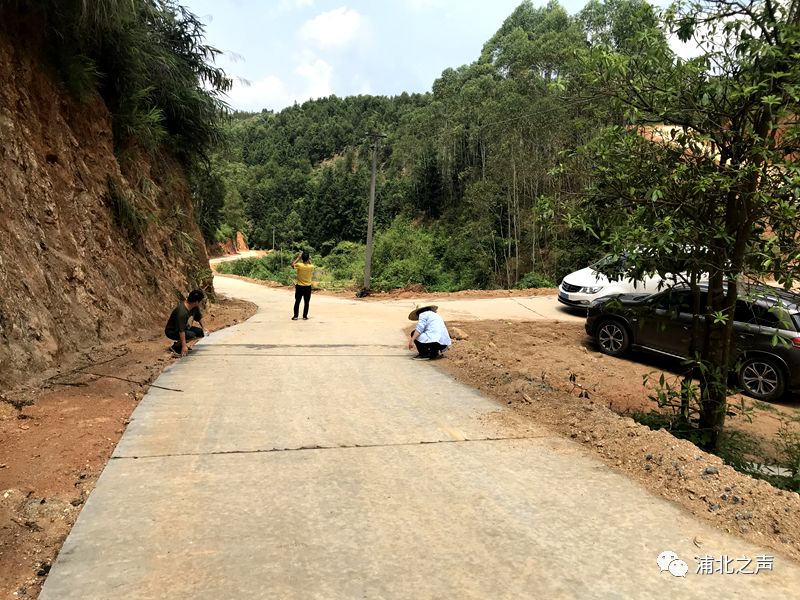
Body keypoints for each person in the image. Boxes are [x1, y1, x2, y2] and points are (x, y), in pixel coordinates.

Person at [164, 289, 209, 356]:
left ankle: (180, 344)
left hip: (185, 327)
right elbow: (181, 330)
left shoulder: (194, 307)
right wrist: (184, 346)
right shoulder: (182, 312)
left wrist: (204, 327)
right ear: (197, 302)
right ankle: (176, 347)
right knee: (191, 335)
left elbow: (198, 318)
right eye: (200, 301)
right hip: (172, 330)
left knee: (201, 332)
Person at [291, 251, 314, 320]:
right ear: (308, 258)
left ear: (302, 258)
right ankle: (305, 316)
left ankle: (295, 316)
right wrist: (308, 259)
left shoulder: (299, 265)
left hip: (299, 287)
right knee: (306, 302)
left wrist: (298, 258)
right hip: (308, 287)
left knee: (297, 301)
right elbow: (310, 263)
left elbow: (292, 265)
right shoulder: (311, 267)